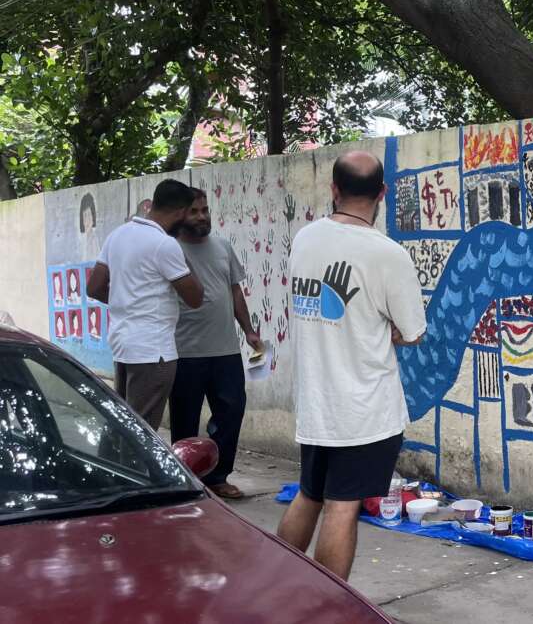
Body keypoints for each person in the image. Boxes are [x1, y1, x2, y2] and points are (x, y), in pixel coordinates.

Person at [276, 151, 425, 581]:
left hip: (316, 404)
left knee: (309, 495)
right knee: (343, 506)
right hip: (364, 411)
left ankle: (278, 591)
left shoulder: (305, 239)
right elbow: (413, 331)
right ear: (382, 193)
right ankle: (328, 610)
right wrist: (387, 327)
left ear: (334, 189)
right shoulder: (388, 254)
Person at [87, 180, 203, 429]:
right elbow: (195, 298)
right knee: (142, 434)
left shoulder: (118, 235)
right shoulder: (165, 244)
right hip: (154, 352)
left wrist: (125, 299)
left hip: (122, 346)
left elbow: (94, 288)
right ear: (181, 212)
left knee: (125, 426)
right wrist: (182, 258)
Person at [169, 188, 262, 499]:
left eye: (205, 210)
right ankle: (185, 480)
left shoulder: (222, 246)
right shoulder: (169, 249)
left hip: (225, 350)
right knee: (185, 419)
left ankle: (218, 476)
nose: (202, 216)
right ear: (181, 214)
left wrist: (248, 331)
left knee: (231, 410)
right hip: (184, 351)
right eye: (195, 211)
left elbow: (234, 291)